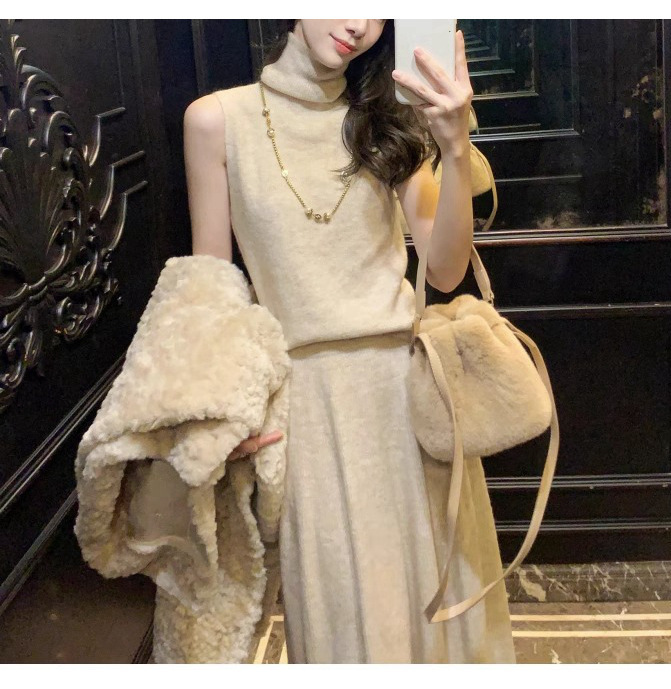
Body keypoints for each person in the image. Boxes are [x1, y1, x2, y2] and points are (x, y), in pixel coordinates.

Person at [182, 19, 515, 664]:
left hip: (410, 404)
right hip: (310, 415)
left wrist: (452, 149)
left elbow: (446, 270)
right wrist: (225, 415)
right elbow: (212, 289)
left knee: (446, 629)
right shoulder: (216, 122)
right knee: (345, 630)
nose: (359, 24)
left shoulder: (388, 117)